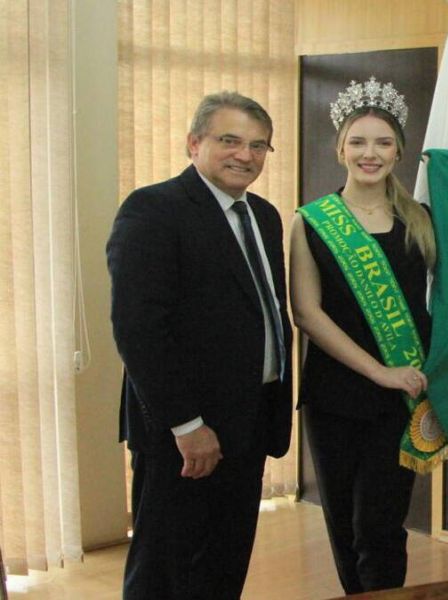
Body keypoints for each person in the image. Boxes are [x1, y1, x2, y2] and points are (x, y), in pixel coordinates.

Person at [107, 91, 292, 599]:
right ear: (194, 143)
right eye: (230, 140)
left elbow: (264, 313)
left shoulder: (265, 216)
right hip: (184, 434)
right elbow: (138, 329)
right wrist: (186, 426)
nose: (245, 155)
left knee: (224, 567)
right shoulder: (153, 210)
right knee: (165, 573)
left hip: (250, 422)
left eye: (258, 145)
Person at [289, 77, 434, 594]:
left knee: (380, 526)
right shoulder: (311, 222)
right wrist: (378, 371)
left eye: (382, 142)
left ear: (399, 152)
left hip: (400, 398)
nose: (369, 154)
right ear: (340, 149)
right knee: (345, 526)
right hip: (335, 394)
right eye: (358, 142)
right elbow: (306, 313)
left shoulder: (422, 221)